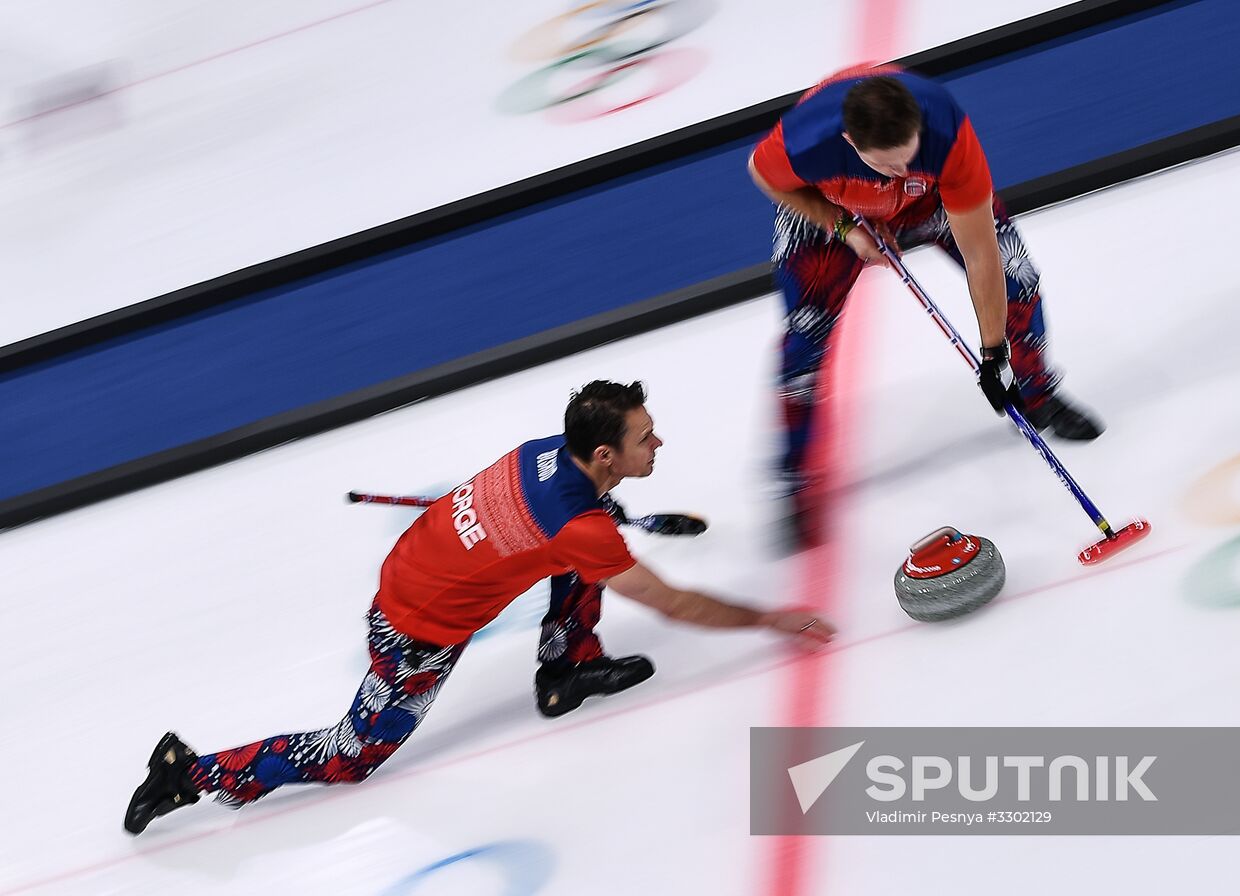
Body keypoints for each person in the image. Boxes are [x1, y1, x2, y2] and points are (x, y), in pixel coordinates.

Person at [124, 381, 834, 835]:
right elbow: (674, 603)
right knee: (350, 755)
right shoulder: (576, 523)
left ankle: (567, 670)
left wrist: (604, 514)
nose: (658, 442)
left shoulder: (543, 452)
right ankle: (192, 771)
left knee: (585, 554)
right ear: (603, 454)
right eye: (644, 436)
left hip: (418, 567)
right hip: (415, 631)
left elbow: (569, 518)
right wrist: (769, 618)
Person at [748, 65, 1104, 545]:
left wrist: (994, 355)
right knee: (804, 342)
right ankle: (795, 477)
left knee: (1017, 275)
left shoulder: (947, 135)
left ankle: (1035, 394)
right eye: (887, 164)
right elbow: (763, 175)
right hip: (832, 208)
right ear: (851, 141)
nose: (900, 172)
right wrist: (843, 227)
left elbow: (982, 256)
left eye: (907, 157)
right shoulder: (807, 143)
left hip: (929, 198)